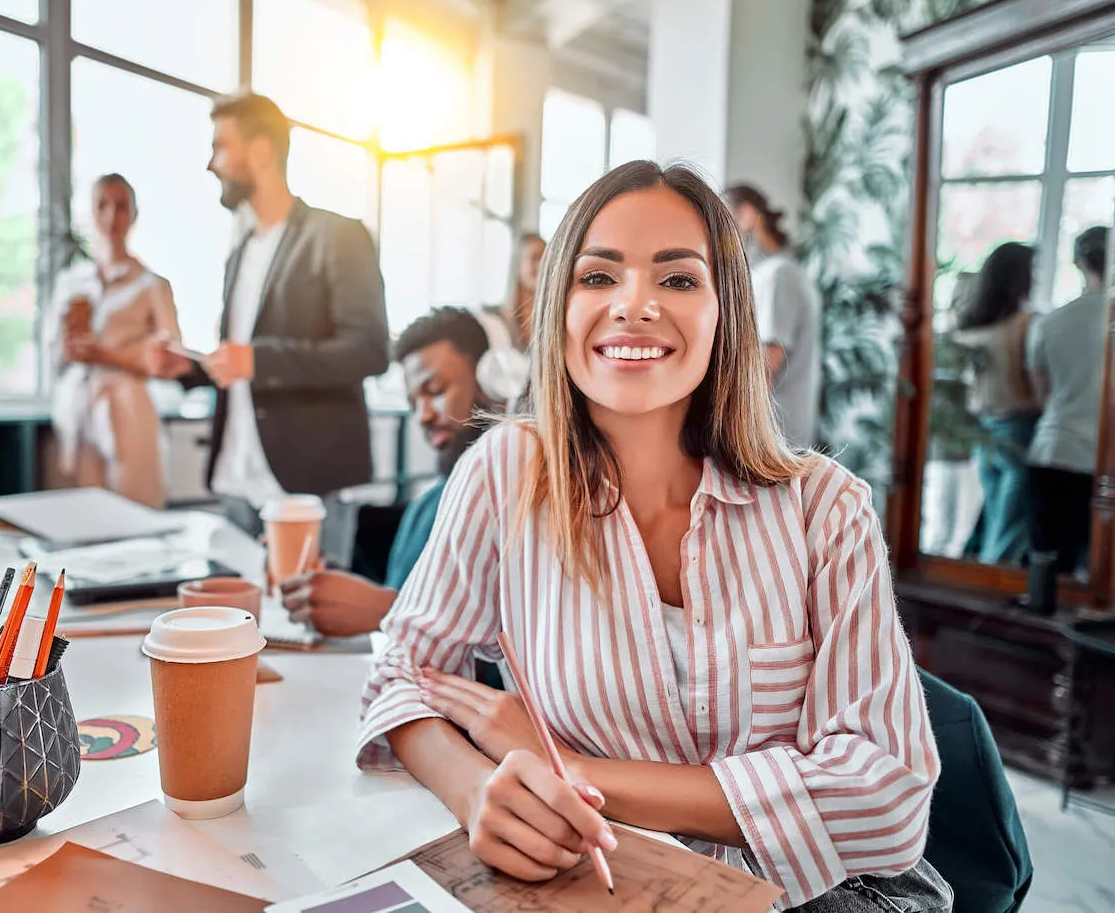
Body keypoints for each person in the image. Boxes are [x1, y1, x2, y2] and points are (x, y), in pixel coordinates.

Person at [357, 161, 948, 912]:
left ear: (725, 313)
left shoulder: (824, 508)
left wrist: (564, 767)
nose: (633, 306)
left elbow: (886, 798)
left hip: (830, 895)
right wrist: (475, 791)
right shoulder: (507, 472)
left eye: (676, 280)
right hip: (609, 881)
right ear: (557, 310)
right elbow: (402, 675)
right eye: (598, 278)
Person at [146, 93, 388, 533]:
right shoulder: (239, 255)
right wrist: (191, 367)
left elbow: (369, 350)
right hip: (235, 480)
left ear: (260, 151)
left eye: (221, 146)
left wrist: (258, 359)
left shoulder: (338, 236)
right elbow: (240, 364)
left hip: (308, 483)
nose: (211, 163)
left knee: (306, 604)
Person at [279, 307, 496, 637]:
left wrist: (388, 610)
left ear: (489, 380)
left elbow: (516, 653)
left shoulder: (516, 504)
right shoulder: (427, 505)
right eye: (413, 403)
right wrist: (334, 592)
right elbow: (398, 596)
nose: (422, 416)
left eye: (435, 391)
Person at [46, 174, 181, 508]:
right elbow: (53, 355)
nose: (111, 216)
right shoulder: (71, 284)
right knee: (82, 518)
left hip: (129, 408)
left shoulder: (152, 285)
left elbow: (173, 360)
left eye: (121, 207)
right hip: (79, 409)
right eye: (102, 205)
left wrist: (106, 355)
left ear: (133, 215)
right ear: (90, 212)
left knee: (135, 512)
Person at [950, 242, 1041, 566]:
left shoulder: (971, 324)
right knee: (1007, 526)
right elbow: (1035, 383)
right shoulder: (1027, 323)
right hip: (1018, 428)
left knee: (995, 518)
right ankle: (992, 597)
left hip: (984, 430)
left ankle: (986, 588)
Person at [1027, 225, 1109, 575]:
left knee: (1047, 570)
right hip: (1103, 458)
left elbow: (1041, 395)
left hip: (1053, 448)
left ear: (1078, 262)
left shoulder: (1050, 322)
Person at [725, 184, 819, 447]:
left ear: (745, 215)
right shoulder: (773, 273)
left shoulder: (778, 275)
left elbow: (765, 367)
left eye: (725, 221)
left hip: (773, 436)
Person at [475, 233, 545, 404]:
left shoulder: (551, 318)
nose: (542, 264)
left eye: (546, 257)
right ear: (518, 264)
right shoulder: (494, 320)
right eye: (534, 257)